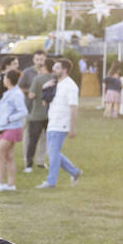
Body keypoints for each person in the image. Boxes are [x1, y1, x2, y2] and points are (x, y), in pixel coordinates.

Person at [37, 58, 83, 189]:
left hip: (61, 124)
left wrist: (72, 128)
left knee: (53, 153)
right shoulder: (55, 84)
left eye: (57, 67)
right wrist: (45, 88)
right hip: (52, 122)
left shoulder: (70, 86)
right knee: (53, 153)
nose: (53, 69)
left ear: (64, 70)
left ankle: (51, 182)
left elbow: (74, 107)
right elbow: (45, 102)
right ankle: (75, 172)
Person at [0, 70, 27, 191]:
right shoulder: (8, 93)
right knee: (8, 156)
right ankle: (10, 184)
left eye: (5, 77)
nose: (3, 80)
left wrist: (10, 119)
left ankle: (0, 182)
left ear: (9, 79)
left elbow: (23, 111)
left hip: (12, 128)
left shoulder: (16, 94)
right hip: (4, 128)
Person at [20, 51, 49, 174]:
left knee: (44, 136)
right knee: (28, 135)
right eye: (37, 59)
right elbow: (20, 87)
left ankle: (41, 160)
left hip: (44, 110)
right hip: (29, 107)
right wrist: (33, 90)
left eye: (42, 59)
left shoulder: (49, 73)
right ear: (33, 59)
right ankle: (27, 160)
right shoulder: (27, 72)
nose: (39, 62)